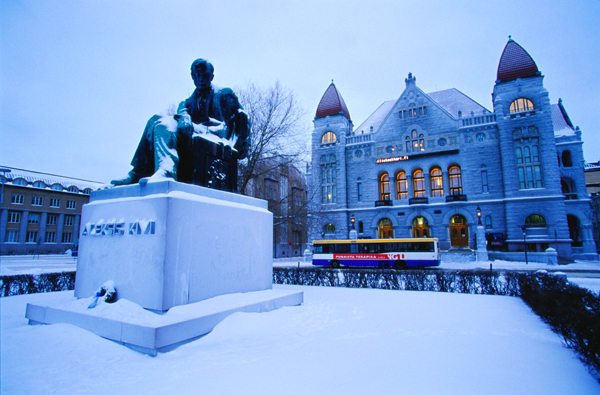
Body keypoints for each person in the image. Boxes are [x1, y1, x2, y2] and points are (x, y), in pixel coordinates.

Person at [111, 59, 250, 186]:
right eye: (197, 75)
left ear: (211, 77)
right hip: (193, 134)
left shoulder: (224, 94)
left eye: (205, 75)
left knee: (165, 122)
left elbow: (242, 120)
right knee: (157, 121)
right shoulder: (188, 102)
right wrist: (184, 116)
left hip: (215, 135)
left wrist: (239, 148)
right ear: (192, 76)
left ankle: (164, 170)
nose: (201, 79)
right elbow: (182, 110)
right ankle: (143, 171)